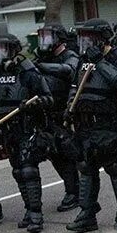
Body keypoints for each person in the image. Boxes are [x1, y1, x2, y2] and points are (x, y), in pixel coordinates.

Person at [66, 18, 117, 233]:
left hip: (109, 123)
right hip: (85, 124)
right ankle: (87, 213)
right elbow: (75, 85)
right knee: (86, 168)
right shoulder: (83, 59)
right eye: (83, 38)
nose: (85, 43)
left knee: (114, 167)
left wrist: (102, 62)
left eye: (90, 38)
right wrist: (69, 107)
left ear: (103, 37)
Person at [0, 33, 53, 233]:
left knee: (29, 170)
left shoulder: (27, 71)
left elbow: (48, 98)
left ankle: (37, 215)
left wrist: (33, 105)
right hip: (7, 130)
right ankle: (29, 209)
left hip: (27, 127)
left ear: (13, 50)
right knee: (17, 171)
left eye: (1, 49)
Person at [34, 23, 82, 212]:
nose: (44, 42)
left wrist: (41, 66)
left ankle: (76, 192)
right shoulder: (41, 57)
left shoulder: (69, 55)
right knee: (56, 155)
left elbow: (69, 70)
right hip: (48, 114)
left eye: (48, 37)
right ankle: (72, 190)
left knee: (71, 153)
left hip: (67, 113)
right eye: (42, 37)